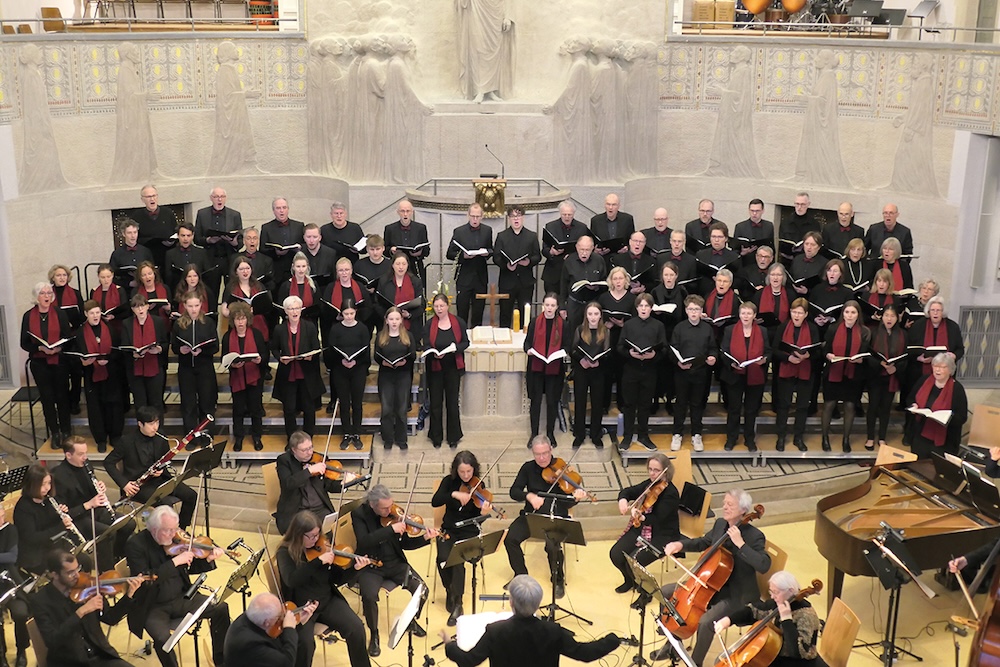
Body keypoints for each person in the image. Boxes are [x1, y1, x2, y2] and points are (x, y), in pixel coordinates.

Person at [650, 489, 770, 664]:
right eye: (724, 503)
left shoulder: (754, 536)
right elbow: (703, 543)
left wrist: (741, 545)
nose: (724, 507)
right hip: (710, 584)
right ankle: (673, 645)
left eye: (730, 504)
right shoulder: (720, 524)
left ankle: (694, 662)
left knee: (706, 621)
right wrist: (679, 544)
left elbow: (764, 565)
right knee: (667, 592)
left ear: (743, 510)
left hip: (736, 593)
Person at [125, 506, 230, 667]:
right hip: (153, 606)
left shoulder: (175, 540)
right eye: (168, 530)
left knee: (221, 608)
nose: (174, 534)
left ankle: (221, 661)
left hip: (183, 597)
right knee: (162, 640)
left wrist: (207, 560)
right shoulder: (136, 544)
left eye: (175, 528)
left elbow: (188, 567)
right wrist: (175, 562)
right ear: (153, 529)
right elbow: (146, 579)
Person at [441, 574, 621, 667]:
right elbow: (585, 653)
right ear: (537, 604)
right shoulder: (553, 631)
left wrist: (449, 645)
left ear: (511, 602)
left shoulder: (495, 631)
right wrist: (613, 640)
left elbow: (468, 661)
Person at [351, 484, 438, 657]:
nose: (389, 510)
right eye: (384, 508)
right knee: (368, 596)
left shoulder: (394, 514)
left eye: (390, 506)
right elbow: (364, 542)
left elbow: (405, 544)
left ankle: (410, 622)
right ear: (372, 504)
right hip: (371, 565)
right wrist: (390, 529)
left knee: (422, 590)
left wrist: (425, 538)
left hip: (396, 563)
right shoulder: (359, 514)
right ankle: (374, 633)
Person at [274, 512, 367, 667]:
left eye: (317, 534)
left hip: (327, 601)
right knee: (305, 644)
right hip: (302, 607)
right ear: (298, 534)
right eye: (310, 536)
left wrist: (355, 569)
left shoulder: (321, 547)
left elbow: (337, 579)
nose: (316, 539)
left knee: (356, 628)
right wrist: (318, 562)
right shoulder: (285, 552)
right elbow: (292, 580)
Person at [29, 548, 143, 667]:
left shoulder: (88, 587)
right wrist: (80, 612)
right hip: (70, 662)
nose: (77, 575)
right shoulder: (40, 601)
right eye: (70, 572)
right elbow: (52, 641)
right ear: (54, 575)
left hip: (100, 655)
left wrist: (129, 595)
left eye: (77, 569)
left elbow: (110, 618)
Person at [505, 436, 587, 599]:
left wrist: (576, 498)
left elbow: (569, 503)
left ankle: (558, 580)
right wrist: (529, 496)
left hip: (555, 517)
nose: (541, 458)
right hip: (532, 516)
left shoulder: (563, 469)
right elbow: (514, 491)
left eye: (545, 453)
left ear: (551, 450)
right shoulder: (527, 468)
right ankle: (520, 575)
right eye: (537, 454)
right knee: (510, 538)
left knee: (552, 546)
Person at [104, 406, 198, 530]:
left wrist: (161, 470)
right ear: (140, 424)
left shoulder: (161, 436)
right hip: (138, 487)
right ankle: (166, 534)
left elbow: (165, 461)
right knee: (166, 504)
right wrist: (124, 484)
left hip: (160, 479)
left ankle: (181, 529)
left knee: (191, 495)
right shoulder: (126, 441)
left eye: (157, 422)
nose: (155, 427)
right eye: (151, 423)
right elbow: (108, 462)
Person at [51, 436, 136, 571]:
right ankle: (106, 571)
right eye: (80, 454)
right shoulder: (58, 476)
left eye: (86, 452)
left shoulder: (86, 464)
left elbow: (92, 486)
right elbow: (63, 513)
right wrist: (88, 504)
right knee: (107, 533)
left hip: (96, 510)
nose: (85, 457)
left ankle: (115, 555)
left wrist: (99, 486)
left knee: (129, 524)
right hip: (79, 518)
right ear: (68, 455)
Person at [431, 451, 493, 626]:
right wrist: (454, 494)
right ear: (455, 470)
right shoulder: (448, 482)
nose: (466, 476)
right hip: (449, 528)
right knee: (442, 559)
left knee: (456, 559)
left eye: (469, 471)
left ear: (474, 469)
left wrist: (483, 512)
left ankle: (458, 602)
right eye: (462, 472)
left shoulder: (478, 484)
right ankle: (450, 590)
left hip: (469, 530)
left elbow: (478, 515)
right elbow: (435, 501)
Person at [713, 571, 822, 667]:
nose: (773, 596)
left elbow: (798, 651)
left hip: (797, 662)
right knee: (719, 659)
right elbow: (754, 611)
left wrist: (786, 619)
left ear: (791, 590)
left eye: (776, 592)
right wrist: (729, 620)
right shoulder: (778, 603)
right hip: (776, 655)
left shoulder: (806, 615)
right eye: (771, 592)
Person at [610, 454, 679, 597]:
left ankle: (645, 594)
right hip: (643, 527)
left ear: (665, 471)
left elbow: (658, 519)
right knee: (616, 554)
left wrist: (641, 516)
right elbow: (628, 491)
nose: (652, 473)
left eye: (656, 470)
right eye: (650, 469)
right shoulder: (650, 484)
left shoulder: (671, 493)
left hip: (662, 534)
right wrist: (622, 500)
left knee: (635, 561)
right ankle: (630, 581)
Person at [20, 281, 73, 446]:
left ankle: (66, 430)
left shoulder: (59, 313)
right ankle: (55, 432)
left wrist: (59, 348)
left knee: (62, 397)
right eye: (43, 293)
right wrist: (40, 348)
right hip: (39, 363)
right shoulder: (28, 316)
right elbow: (24, 343)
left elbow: (68, 337)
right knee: (47, 399)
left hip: (59, 361)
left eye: (49, 293)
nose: (47, 296)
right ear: (36, 297)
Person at [275, 431, 359, 533]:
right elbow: (288, 483)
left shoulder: (319, 459)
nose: (310, 452)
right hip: (298, 510)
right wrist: (309, 471)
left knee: (339, 529)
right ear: (294, 450)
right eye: (304, 450)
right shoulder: (284, 461)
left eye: (311, 447)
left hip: (320, 509)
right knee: (309, 533)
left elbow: (328, 485)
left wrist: (343, 483)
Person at [13, 464, 82, 575]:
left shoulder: (48, 499)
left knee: (84, 560)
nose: (47, 488)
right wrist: (60, 526)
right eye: (43, 484)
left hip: (53, 545)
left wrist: (60, 514)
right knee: (69, 569)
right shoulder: (23, 509)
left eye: (49, 483)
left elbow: (48, 522)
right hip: (36, 554)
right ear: (32, 485)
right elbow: (32, 538)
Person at [74, 300, 125, 452]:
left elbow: (117, 350)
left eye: (97, 312)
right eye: (92, 313)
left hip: (111, 373)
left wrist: (109, 359)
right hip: (91, 375)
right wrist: (83, 362)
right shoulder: (80, 332)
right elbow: (76, 355)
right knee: (96, 408)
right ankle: (101, 439)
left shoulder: (109, 328)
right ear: (86, 314)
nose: (95, 316)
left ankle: (115, 436)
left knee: (113, 406)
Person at [618, 294, 666, 451]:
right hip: (630, 370)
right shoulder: (629, 325)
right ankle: (627, 436)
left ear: (651, 308)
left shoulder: (658, 326)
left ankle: (643, 435)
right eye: (641, 306)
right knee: (629, 404)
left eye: (647, 306)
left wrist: (654, 355)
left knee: (645, 404)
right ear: (637, 308)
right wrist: (630, 354)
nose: (644, 309)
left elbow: (664, 348)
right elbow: (619, 347)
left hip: (650, 370)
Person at [720, 302, 771, 452]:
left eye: (749, 313)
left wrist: (765, 359)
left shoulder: (762, 331)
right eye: (743, 313)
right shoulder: (729, 330)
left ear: (754, 315)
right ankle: (731, 438)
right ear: (739, 314)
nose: (746, 316)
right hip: (735, 375)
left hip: (755, 375)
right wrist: (731, 364)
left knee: (751, 409)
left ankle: (749, 439)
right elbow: (723, 351)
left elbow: (768, 351)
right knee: (734, 408)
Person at [272, 294, 325, 437]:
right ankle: (292, 438)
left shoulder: (310, 326)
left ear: (301, 310)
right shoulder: (279, 329)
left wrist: (311, 356)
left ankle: (308, 437)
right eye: (291, 309)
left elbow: (316, 347)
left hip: (306, 372)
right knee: (289, 408)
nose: (294, 312)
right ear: (285, 311)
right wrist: (280, 358)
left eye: (297, 308)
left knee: (309, 408)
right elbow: (274, 348)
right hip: (288, 372)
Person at [670, 295, 718, 452]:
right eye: (690, 309)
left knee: (697, 404)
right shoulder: (679, 328)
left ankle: (696, 434)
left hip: (700, 372)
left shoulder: (707, 329)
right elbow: (673, 349)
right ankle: (677, 433)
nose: (693, 312)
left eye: (696, 309)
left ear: (701, 311)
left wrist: (712, 357)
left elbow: (712, 348)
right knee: (680, 403)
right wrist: (678, 362)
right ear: (686, 310)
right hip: (682, 372)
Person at [821, 301, 870, 453]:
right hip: (834, 371)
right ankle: (824, 437)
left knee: (850, 406)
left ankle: (846, 439)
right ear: (843, 313)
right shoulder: (833, 328)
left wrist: (861, 359)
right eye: (847, 312)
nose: (849, 315)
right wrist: (828, 355)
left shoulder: (864, 331)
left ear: (858, 315)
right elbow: (825, 350)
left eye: (853, 313)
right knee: (829, 405)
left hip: (853, 374)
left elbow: (866, 355)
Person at [772, 298, 820, 452]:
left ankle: (798, 437)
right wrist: (788, 358)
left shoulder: (812, 329)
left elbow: (817, 351)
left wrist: (808, 356)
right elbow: (775, 350)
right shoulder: (783, 326)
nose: (796, 316)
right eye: (794, 312)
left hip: (805, 370)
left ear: (806, 314)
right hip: (787, 368)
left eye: (800, 313)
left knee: (802, 406)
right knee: (783, 404)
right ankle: (781, 436)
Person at [423, 294, 470, 448]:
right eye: (436, 306)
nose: (439, 309)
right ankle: (436, 437)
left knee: (452, 403)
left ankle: (453, 437)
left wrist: (455, 348)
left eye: (441, 306)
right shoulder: (429, 325)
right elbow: (426, 345)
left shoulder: (458, 322)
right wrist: (433, 352)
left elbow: (465, 342)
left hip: (452, 368)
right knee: (436, 403)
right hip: (435, 368)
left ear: (448, 306)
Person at [223, 592, 316, 667]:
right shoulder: (252, 645)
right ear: (267, 622)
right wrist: (290, 629)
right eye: (279, 616)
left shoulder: (250, 617)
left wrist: (299, 621)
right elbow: (287, 663)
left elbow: (275, 637)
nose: (282, 617)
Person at [170, 292, 218, 433]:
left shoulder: (208, 322)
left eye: (196, 305)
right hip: (186, 368)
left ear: (201, 305)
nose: (193, 309)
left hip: (205, 367)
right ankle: (190, 435)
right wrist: (181, 350)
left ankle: (206, 434)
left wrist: (202, 351)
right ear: (184, 306)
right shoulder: (179, 324)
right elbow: (174, 347)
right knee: (188, 404)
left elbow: (215, 346)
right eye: (190, 306)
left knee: (206, 403)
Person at [327, 300, 371, 449]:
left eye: (352, 313)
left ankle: (356, 433)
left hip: (357, 369)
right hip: (340, 370)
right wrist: (342, 361)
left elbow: (365, 352)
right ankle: (346, 433)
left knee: (357, 403)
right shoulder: (335, 329)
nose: (349, 316)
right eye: (346, 314)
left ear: (356, 312)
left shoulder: (362, 329)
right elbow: (331, 351)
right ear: (341, 314)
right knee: (344, 403)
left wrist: (355, 362)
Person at [223, 302, 267, 451]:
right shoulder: (227, 337)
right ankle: (239, 438)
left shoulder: (256, 334)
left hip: (254, 377)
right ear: (232, 321)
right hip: (237, 378)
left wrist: (260, 360)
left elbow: (265, 354)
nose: (240, 322)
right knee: (238, 410)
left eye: (243, 319)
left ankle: (257, 437)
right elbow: (224, 359)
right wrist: (232, 365)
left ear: (248, 319)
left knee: (255, 409)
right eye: (237, 319)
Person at [906, 353, 968, 458]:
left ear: (950, 370)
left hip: (945, 440)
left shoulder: (957, 389)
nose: (937, 370)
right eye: (935, 366)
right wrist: (913, 406)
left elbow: (962, 417)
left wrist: (946, 417)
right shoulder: (924, 380)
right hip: (920, 434)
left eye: (942, 367)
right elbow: (910, 398)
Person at [524, 294, 566, 448]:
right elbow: (527, 342)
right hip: (536, 368)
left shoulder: (562, 324)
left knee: (551, 402)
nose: (549, 308)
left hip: (554, 369)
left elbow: (567, 345)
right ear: (543, 305)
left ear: (556, 307)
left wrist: (561, 353)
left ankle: (550, 433)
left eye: (552, 306)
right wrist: (528, 350)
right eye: (547, 305)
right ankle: (534, 434)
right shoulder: (535, 322)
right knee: (535, 402)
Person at [372, 307, 417, 449]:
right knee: (386, 409)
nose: (394, 322)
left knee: (401, 409)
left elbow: (413, 355)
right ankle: (388, 438)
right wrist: (384, 362)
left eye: (397, 319)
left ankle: (401, 439)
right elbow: (376, 356)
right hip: (386, 375)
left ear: (401, 320)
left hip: (403, 375)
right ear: (386, 320)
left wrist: (405, 361)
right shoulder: (380, 336)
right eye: (391, 319)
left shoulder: (408, 335)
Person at [866, 304, 907, 451]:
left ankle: (882, 437)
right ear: (881, 317)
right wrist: (880, 364)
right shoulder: (874, 332)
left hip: (892, 376)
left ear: (897, 318)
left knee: (885, 408)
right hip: (876, 375)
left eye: (892, 316)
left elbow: (905, 358)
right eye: (886, 315)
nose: (889, 319)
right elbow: (868, 355)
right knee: (872, 406)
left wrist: (895, 368)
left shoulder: (903, 334)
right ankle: (870, 437)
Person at [456, 0, 514, 102]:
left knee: (493, 51)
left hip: (496, 11)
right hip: (477, 7)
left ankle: (490, 89)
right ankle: (479, 90)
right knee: (478, 48)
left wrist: (508, 16)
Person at [493, 205, 541, 329]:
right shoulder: (502, 236)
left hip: (525, 282)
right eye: (513, 216)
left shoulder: (531, 236)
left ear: (523, 218)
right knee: (505, 313)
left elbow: (537, 256)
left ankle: (524, 341)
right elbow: (496, 257)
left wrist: (528, 262)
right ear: (508, 218)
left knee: (525, 314)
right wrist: (506, 265)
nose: (516, 219)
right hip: (507, 281)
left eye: (518, 216)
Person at [447, 204, 494, 326]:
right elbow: (450, 253)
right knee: (462, 312)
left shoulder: (487, 230)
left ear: (482, 216)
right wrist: (463, 256)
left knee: (478, 312)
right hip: (464, 278)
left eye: (478, 216)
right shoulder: (459, 231)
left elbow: (490, 249)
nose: (475, 219)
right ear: (468, 215)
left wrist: (486, 253)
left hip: (480, 277)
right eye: (472, 216)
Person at [651, 261, 688, 416]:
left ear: (676, 275)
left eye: (671, 275)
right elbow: (649, 310)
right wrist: (656, 312)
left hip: (676, 334)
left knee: (673, 371)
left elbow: (686, 313)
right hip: (659, 334)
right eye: (666, 275)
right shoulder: (654, 291)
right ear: (662, 276)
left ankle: (670, 401)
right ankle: (655, 400)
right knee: (658, 370)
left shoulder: (682, 291)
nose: (668, 278)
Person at [570, 302, 609, 448]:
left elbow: (607, 352)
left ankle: (595, 434)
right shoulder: (580, 329)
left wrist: (599, 362)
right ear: (586, 315)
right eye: (590, 314)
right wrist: (581, 360)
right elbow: (573, 350)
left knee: (597, 403)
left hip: (598, 371)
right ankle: (579, 434)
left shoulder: (605, 331)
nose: (593, 317)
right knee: (580, 402)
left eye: (596, 314)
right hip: (582, 370)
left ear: (600, 315)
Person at [120, 294, 167, 412]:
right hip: (135, 370)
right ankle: (143, 429)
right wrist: (133, 354)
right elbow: (124, 346)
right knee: (140, 403)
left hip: (154, 367)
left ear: (148, 306)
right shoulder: (127, 323)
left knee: (156, 402)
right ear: (132, 309)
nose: (140, 309)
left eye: (142, 306)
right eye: (136, 307)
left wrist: (159, 349)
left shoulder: (158, 321)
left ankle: (158, 428)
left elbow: (165, 342)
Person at [598, 266, 636, 413]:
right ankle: (604, 404)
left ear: (626, 280)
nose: (618, 281)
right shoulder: (604, 297)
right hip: (608, 338)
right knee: (606, 372)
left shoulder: (632, 298)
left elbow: (635, 320)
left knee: (623, 373)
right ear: (611, 281)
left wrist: (623, 324)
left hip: (624, 339)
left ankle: (622, 403)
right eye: (615, 278)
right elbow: (597, 317)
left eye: (621, 278)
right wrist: (605, 325)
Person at [194, 187, 244, 294]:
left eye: (222, 197)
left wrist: (234, 242)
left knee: (232, 291)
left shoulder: (235, 215)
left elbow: (240, 242)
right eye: (216, 197)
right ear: (211, 198)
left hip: (229, 258)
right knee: (211, 292)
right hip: (210, 259)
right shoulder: (202, 214)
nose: (219, 199)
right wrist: (208, 240)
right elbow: (196, 239)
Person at [49, 265, 85, 414]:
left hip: (74, 337)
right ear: (53, 277)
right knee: (60, 374)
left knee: (76, 372)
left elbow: (83, 316)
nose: (62, 277)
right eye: (58, 275)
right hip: (56, 339)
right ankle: (63, 402)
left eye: (64, 275)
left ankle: (75, 401)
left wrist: (73, 322)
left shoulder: (75, 293)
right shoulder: (48, 294)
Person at [0, 506, 29, 667]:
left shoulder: (10, 530)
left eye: (2, 515)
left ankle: (21, 650)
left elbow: (11, 557)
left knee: (20, 613)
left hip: (10, 581)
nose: (2, 520)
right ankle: (1, 655)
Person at [560, 235, 606, 336]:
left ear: (593, 248)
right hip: (575, 302)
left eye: (587, 250)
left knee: (592, 333)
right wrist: (562, 307)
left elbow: (605, 283)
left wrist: (596, 287)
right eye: (581, 249)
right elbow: (563, 284)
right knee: (572, 332)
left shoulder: (599, 260)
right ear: (576, 247)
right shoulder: (569, 261)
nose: (584, 253)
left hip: (592, 302)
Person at [541, 201, 589, 296]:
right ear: (560, 213)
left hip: (574, 273)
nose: (567, 217)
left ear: (574, 214)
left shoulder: (582, 228)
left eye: (569, 214)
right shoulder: (550, 226)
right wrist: (551, 252)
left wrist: (572, 256)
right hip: (553, 273)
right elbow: (544, 249)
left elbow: (586, 249)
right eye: (564, 214)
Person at [375, 253, 425, 340]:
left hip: (411, 327)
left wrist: (409, 315)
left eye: (404, 264)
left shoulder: (415, 282)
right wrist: (388, 316)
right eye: (398, 264)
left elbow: (422, 304)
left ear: (408, 265)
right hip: (388, 326)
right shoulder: (384, 281)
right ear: (393, 265)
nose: (401, 267)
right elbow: (377, 303)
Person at [383, 199, 430, 286]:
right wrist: (391, 251)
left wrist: (419, 253)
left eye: (408, 211)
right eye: (402, 211)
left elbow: (427, 250)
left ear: (412, 212)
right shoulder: (390, 229)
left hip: (415, 266)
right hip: (397, 267)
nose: (405, 214)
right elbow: (385, 250)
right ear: (398, 212)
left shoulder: (421, 228)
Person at [260, 197, 305, 282]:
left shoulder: (299, 226)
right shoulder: (266, 228)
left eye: (284, 207)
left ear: (288, 209)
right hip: (276, 271)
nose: (281, 210)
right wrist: (276, 253)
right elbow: (262, 250)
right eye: (278, 208)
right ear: (273, 210)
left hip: (296, 270)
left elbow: (305, 245)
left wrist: (299, 248)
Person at [134, 185, 178, 272]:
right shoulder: (136, 216)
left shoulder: (168, 213)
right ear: (142, 199)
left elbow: (176, 233)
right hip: (147, 259)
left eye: (154, 196)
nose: (152, 199)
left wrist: (172, 241)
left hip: (167, 256)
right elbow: (135, 239)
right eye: (148, 197)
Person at [694, 222, 739, 297]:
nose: (716, 240)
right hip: (704, 295)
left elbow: (739, 280)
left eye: (720, 237)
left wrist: (723, 281)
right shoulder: (700, 255)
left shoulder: (734, 257)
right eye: (713, 237)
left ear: (726, 238)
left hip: (726, 297)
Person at [163, 223, 211, 293]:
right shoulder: (170, 254)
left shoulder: (202, 252)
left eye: (188, 235)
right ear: (178, 236)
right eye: (183, 235)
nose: (185, 239)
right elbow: (168, 278)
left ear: (193, 236)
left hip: (198, 292)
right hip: (178, 293)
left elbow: (208, 276)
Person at [109, 220, 154, 290]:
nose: (133, 236)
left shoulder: (146, 251)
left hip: (144, 289)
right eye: (129, 233)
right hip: (125, 290)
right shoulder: (116, 254)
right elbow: (111, 276)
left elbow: (153, 271)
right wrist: (128, 283)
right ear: (124, 234)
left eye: (135, 232)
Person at [276, 252, 318, 326]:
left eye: (303, 266)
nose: (301, 270)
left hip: (309, 324)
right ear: (293, 267)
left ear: (307, 267)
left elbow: (318, 307)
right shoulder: (285, 286)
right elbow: (281, 308)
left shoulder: (313, 285)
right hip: (290, 325)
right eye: (298, 266)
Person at [778, 192, 820, 263]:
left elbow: (817, 245)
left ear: (808, 204)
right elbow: (781, 245)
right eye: (797, 204)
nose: (799, 207)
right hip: (787, 261)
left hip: (807, 261)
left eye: (802, 204)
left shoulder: (814, 224)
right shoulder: (785, 222)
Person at [732, 198, 775, 268]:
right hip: (746, 264)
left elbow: (772, 248)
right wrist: (742, 253)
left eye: (757, 211)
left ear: (763, 211)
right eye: (752, 211)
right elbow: (734, 251)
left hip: (764, 265)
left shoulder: (769, 226)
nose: (754, 213)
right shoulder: (740, 227)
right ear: (749, 210)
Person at [90, 264, 129, 334]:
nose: (106, 280)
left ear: (113, 275)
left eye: (108, 277)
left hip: (117, 324)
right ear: (98, 277)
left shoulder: (120, 290)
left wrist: (113, 316)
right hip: (99, 325)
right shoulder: (94, 291)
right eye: (103, 277)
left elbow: (126, 311)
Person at [236, 227, 275, 293]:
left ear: (258, 241)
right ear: (244, 241)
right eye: (249, 238)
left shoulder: (267, 260)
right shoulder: (235, 258)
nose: (252, 241)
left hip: (260, 293)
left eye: (255, 238)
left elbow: (271, 283)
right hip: (240, 293)